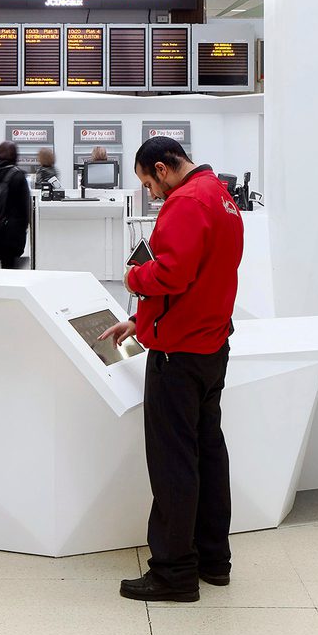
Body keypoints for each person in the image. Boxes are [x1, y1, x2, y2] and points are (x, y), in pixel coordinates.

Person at [97, 137, 243, 602]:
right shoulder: (221, 197)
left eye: (148, 183)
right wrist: (140, 320)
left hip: (177, 356)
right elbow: (200, 280)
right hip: (210, 346)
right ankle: (213, 559)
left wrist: (132, 278)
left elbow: (172, 274)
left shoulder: (185, 202)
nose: (151, 194)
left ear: (163, 168)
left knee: (173, 464)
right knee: (208, 453)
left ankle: (174, 572)